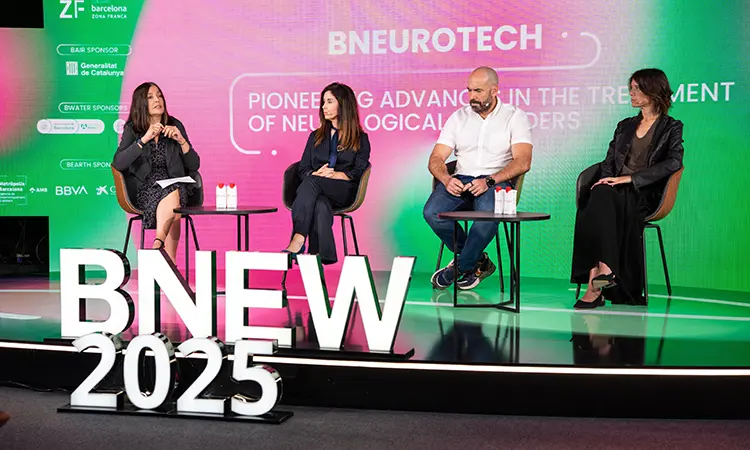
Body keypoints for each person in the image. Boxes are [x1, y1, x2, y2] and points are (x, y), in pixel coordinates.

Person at [571, 68, 684, 309]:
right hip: (614, 190)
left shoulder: (671, 127)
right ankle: (604, 273)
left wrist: (631, 180)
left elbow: (674, 162)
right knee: (598, 193)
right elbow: (609, 161)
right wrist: (608, 179)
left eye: (636, 88)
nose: (631, 93)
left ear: (653, 91)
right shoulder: (624, 125)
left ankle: (595, 285)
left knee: (598, 201)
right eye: (630, 88)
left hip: (644, 192)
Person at [424, 67, 533, 290]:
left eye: (478, 91)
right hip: (462, 179)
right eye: (469, 90)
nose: (472, 96)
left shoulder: (515, 116)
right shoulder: (458, 117)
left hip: (495, 181)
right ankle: (477, 261)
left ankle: (459, 267)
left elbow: (523, 161)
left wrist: (489, 181)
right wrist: (446, 179)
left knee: (487, 217)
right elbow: (436, 158)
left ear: (494, 90)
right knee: (432, 213)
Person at [283, 82, 371, 264]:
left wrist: (340, 175)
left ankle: (298, 239)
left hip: (344, 191)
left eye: (329, 101)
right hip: (316, 189)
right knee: (320, 203)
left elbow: (359, 170)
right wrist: (316, 174)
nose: (324, 106)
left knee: (312, 183)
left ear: (343, 104)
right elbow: (303, 169)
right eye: (323, 102)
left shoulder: (360, 138)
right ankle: (322, 256)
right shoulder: (315, 136)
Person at [113, 82, 200, 264]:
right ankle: (170, 261)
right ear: (141, 103)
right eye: (150, 97)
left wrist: (181, 140)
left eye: (159, 95)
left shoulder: (175, 125)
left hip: (176, 184)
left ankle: (157, 244)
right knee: (174, 202)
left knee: (175, 190)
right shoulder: (133, 129)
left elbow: (194, 165)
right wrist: (143, 140)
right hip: (146, 188)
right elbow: (118, 163)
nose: (157, 100)